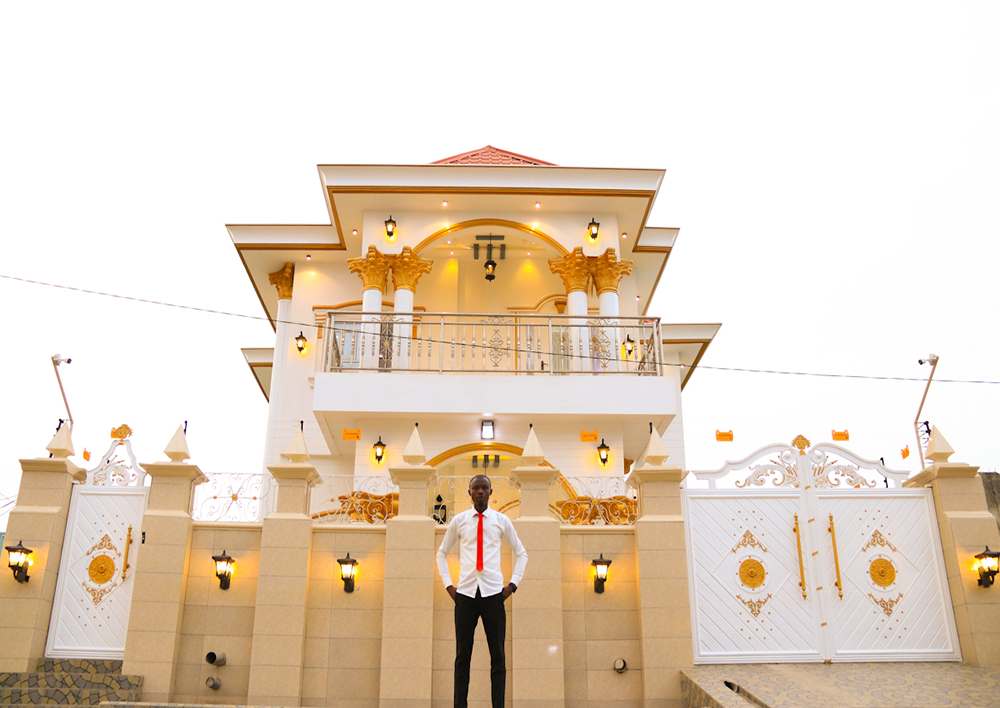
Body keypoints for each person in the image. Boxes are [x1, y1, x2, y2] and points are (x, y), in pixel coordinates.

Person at [436, 474, 528, 708]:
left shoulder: (501, 520)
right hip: (465, 596)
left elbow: (522, 553)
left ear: (490, 492)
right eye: (475, 488)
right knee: (462, 658)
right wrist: (449, 586)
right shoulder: (459, 520)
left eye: (484, 488)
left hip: (493, 596)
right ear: (469, 492)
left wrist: (512, 586)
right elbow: (441, 553)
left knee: (498, 657)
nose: (480, 491)